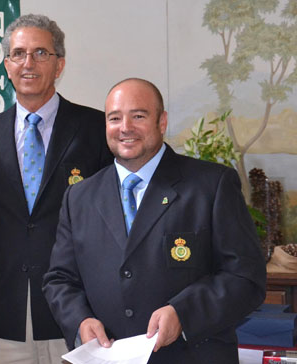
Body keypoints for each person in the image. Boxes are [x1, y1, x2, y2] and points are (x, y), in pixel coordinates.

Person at [43, 78, 267, 363]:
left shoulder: (212, 185)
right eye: (114, 118)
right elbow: (60, 279)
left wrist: (184, 314)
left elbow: (246, 277)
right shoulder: (79, 198)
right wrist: (80, 321)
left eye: (138, 116)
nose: (125, 127)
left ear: (162, 122)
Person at [0, 14, 113, 364]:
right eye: (18, 54)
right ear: (6, 65)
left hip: (80, 314)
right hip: (5, 315)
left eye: (40, 53)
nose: (28, 63)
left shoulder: (95, 128)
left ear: (59, 64)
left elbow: (112, 222)